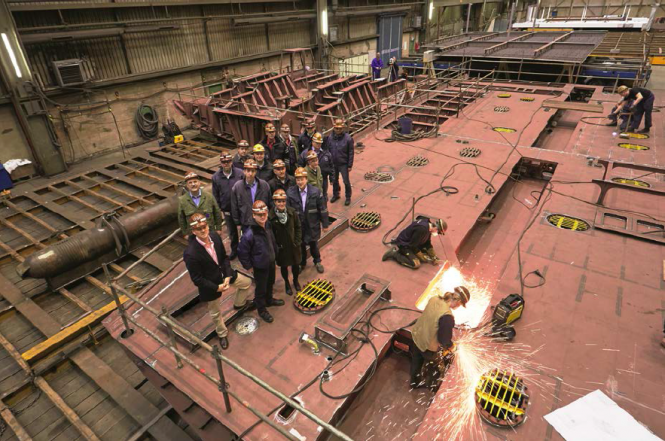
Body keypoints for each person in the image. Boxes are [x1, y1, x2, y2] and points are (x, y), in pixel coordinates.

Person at [183, 213, 253, 350]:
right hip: (211, 285)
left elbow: (224, 258)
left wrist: (227, 276)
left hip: (224, 275)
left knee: (246, 283)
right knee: (215, 313)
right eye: (199, 229)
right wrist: (216, 288)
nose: (203, 230)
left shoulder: (215, 237)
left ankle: (239, 304)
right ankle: (222, 333)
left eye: (204, 227)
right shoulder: (191, 253)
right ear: (193, 231)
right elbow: (197, 279)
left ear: (207, 226)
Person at [410, 286, 470, 389]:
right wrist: (452, 347)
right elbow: (444, 341)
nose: (459, 306)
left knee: (416, 361)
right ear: (458, 301)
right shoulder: (447, 317)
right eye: (461, 304)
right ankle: (433, 387)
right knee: (436, 368)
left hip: (416, 336)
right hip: (427, 347)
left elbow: (431, 318)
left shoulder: (434, 298)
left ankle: (414, 383)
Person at [237, 200, 285, 323]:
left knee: (270, 282)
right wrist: (249, 267)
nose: (262, 216)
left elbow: (272, 241)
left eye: (264, 213)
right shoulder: (249, 234)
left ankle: (269, 300)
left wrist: (275, 253)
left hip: (270, 262)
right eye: (259, 215)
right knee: (261, 289)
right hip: (260, 267)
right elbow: (242, 252)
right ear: (253, 215)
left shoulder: (267, 225)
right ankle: (262, 310)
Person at [287, 167, 330, 274]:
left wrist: (325, 224)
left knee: (313, 244)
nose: (300, 182)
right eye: (298, 179)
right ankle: (302, 263)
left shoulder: (315, 192)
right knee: (300, 245)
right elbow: (289, 212)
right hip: (299, 226)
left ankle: (317, 261)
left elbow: (322, 209)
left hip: (312, 224)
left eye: (302, 179)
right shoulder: (290, 193)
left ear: (306, 179)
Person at [269, 189, 302, 296]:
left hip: (293, 246)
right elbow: (271, 235)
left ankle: (295, 281)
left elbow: (298, 227)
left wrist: (297, 241)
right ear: (275, 202)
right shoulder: (271, 217)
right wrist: (277, 247)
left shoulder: (292, 212)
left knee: (296, 265)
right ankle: (287, 283)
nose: (281, 203)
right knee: (284, 267)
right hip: (282, 248)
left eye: (283, 201)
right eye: (279, 201)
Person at [212, 153, 244, 259]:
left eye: (228, 161)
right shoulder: (216, 177)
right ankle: (234, 250)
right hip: (227, 210)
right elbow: (215, 194)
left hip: (240, 209)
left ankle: (246, 250)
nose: (226, 164)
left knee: (245, 230)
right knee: (232, 232)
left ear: (232, 162)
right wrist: (220, 208)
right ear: (221, 163)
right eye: (224, 162)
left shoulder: (240, 174)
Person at [382, 216, 447, 269]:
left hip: (414, 241)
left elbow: (427, 242)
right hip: (404, 244)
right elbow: (412, 246)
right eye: (438, 232)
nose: (437, 234)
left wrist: (433, 256)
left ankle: (423, 255)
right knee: (416, 264)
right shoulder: (422, 229)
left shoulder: (428, 227)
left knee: (425, 251)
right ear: (436, 227)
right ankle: (394, 254)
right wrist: (422, 256)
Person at [178, 171, 223, 238]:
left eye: (195, 182)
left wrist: (218, 228)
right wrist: (185, 234)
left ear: (199, 183)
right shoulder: (182, 200)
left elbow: (217, 212)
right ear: (187, 185)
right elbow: (181, 218)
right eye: (190, 183)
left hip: (210, 231)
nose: (193, 184)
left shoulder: (209, 196)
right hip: (193, 234)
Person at [231, 159, 272, 232]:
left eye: (253, 171)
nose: (250, 173)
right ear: (244, 171)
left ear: (256, 172)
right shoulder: (237, 187)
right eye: (248, 171)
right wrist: (237, 223)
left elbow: (270, 203)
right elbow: (234, 207)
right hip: (246, 223)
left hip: (262, 222)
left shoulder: (264, 185)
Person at [325, 118, 354, 206]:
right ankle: (336, 194)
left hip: (343, 164)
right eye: (337, 128)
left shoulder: (348, 138)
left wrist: (349, 165)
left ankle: (348, 197)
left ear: (343, 128)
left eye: (340, 128)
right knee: (334, 180)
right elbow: (328, 150)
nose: (338, 130)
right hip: (334, 163)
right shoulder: (330, 138)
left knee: (346, 181)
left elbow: (351, 152)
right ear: (334, 128)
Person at [300, 132, 333, 200]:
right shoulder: (305, 153)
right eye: (317, 143)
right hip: (310, 179)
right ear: (312, 142)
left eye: (320, 143)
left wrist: (331, 178)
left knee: (323, 195)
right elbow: (300, 166)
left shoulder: (326, 152)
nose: (319, 145)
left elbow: (331, 166)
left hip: (323, 179)